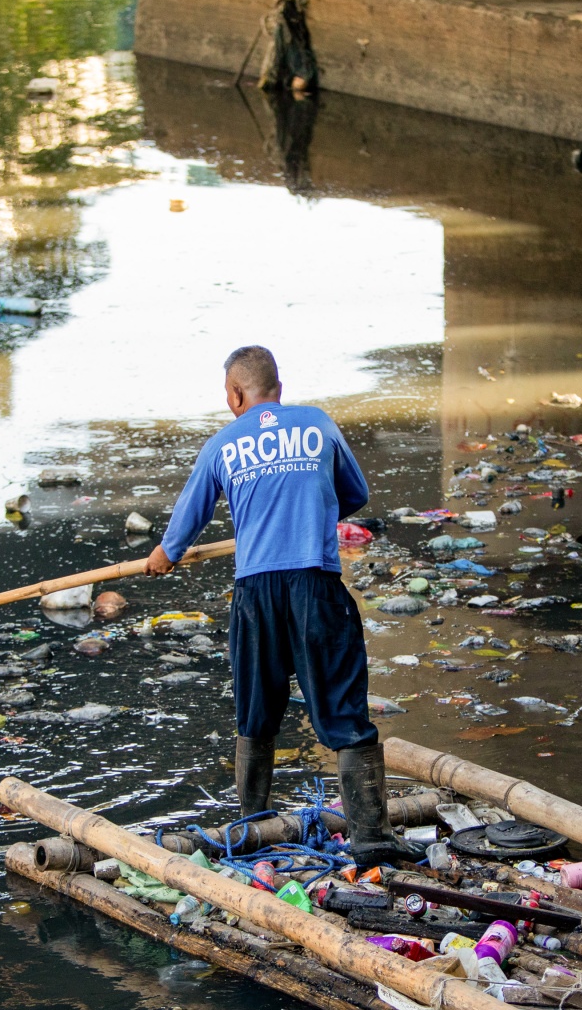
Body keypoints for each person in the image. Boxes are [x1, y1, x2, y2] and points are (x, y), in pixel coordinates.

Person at [146, 346, 417, 868]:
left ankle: (250, 831)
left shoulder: (222, 445)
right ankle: (372, 841)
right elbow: (353, 494)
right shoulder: (317, 425)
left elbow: (184, 523)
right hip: (315, 584)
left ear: (236, 394)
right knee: (343, 709)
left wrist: (164, 556)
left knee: (257, 710)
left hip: (255, 594)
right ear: (279, 389)